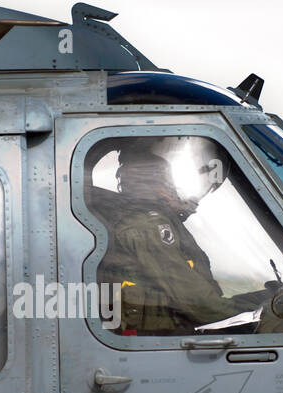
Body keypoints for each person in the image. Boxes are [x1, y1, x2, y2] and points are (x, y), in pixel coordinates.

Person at [97, 140, 253, 335]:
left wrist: (255, 301)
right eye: (169, 180)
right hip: (163, 340)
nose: (191, 198)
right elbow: (201, 305)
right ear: (155, 182)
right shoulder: (148, 227)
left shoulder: (155, 222)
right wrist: (258, 312)